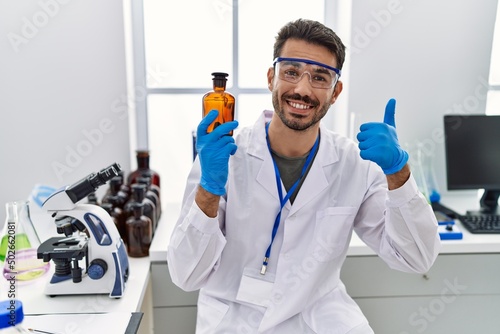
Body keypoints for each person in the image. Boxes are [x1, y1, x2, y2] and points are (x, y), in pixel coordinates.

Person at [167, 18, 441, 333]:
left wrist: (399, 173)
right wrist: (209, 189)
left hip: (320, 320)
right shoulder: (222, 157)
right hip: (235, 319)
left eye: (320, 77)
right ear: (271, 78)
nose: (302, 89)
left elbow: (416, 258)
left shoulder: (355, 165)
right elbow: (186, 275)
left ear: (335, 92)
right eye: (292, 72)